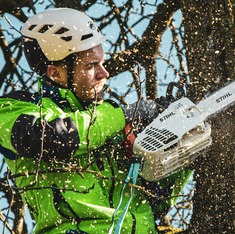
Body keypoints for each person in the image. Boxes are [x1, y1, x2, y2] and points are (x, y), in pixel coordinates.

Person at [0, 8, 192, 233]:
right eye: (91, 66)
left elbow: (152, 201)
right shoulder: (15, 109)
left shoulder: (106, 123)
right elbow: (51, 137)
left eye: (101, 62)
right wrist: (124, 114)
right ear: (55, 73)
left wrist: (180, 153)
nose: (104, 74)